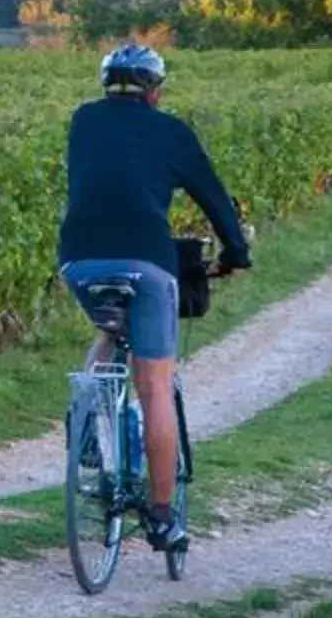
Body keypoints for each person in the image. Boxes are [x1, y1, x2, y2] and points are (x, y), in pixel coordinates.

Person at [59, 42, 252, 555]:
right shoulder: (171, 131)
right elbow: (213, 198)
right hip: (147, 260)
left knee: (109, 330)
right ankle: (163, 518)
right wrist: (236, 252)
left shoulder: (82, 121)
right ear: (155, 91)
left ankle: (86, 426)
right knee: (155, 386)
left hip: (79, 259)